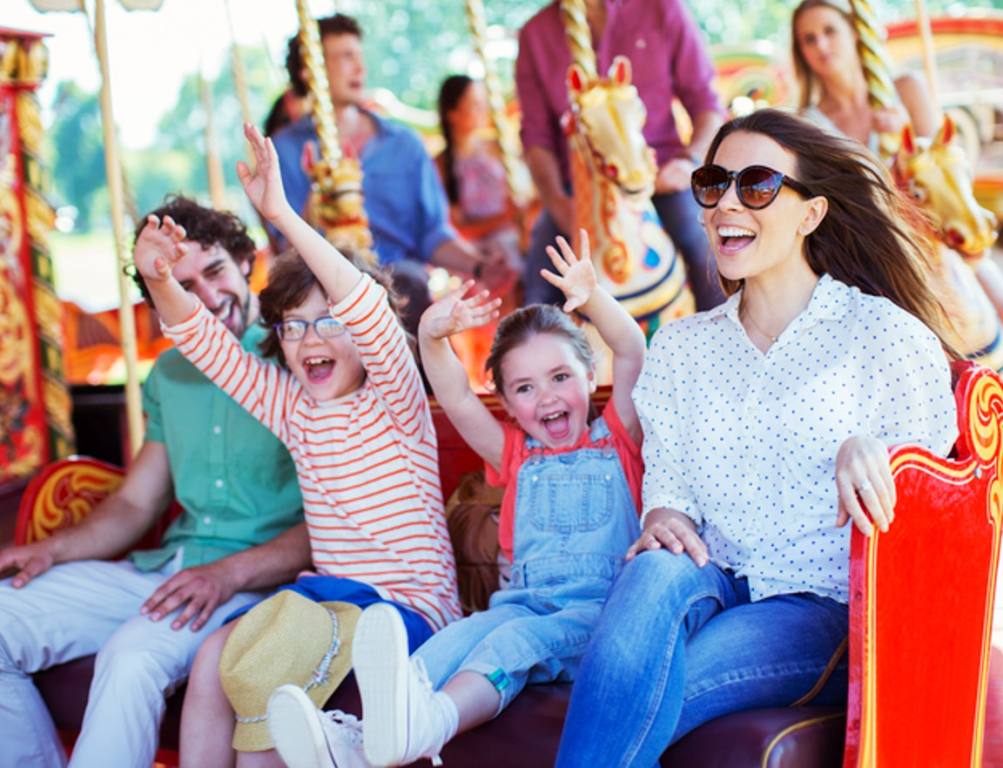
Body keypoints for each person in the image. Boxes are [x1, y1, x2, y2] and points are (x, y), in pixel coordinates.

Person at [553, 109, 959, 765]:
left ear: (810, 214)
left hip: (820, 604)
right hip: (711, 575)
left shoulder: (879, 333)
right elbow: (671, 487)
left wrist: (875, 452)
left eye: (758, 185)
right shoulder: (681, 347)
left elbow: (936, 491)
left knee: (651, 685)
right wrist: (662, 514)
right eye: (713, 185)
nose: (725, 205)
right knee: (651, 570)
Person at [132, 124, 460, 768]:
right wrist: (160, 277)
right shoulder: (293, 408)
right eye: (292, 327)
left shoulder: (395, 397)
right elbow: (206, 344)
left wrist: (280, 212)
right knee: (213, 659)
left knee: (270, 670)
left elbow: (364, 304)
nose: (310, 340)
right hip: (324, 601)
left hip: (404, 611)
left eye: (329, 322)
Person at [265, 230, 647, 768]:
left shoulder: (619, 436)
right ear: (509, 405)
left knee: (511, 646)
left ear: (590, 375)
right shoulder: (515, 455)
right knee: (455, 639)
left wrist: (596, 297)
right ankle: (360, 740)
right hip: (519, 603)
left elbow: (631, 348)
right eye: (525, 388)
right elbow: (457, 395)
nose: (548, 397)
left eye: (561, 377)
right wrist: (431, 334)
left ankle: (431, 725)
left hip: (598, 615)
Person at [0, 196, 306, 768]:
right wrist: (52, 548)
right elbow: (138, 501)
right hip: (168, 570)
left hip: (257, 583)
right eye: (183, 285)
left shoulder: (297, 357)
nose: (209, 299)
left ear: (246, 262)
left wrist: (228, 573)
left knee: (133, 656)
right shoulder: (168, 371)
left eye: (215, 271)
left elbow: (335, 518)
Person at [271, 14, 516, 320]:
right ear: (312, 71)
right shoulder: (284, 150)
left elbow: (432, 234)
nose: (360, 68)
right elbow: (285, 248)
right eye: (346, 57)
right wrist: (319, 190)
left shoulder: (404, 144)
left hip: (398, 280)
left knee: (408, 288)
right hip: (323, 289)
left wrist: (478, 264)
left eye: (359, 56)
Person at [515, 0, 726, 310]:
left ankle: (726, 341)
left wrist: (690, 162)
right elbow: (536, 138)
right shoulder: (536, 35)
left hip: (656, 175)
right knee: (538, 290)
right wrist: (556, 200)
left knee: (703, 250)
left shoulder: (661, 9)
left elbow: (707, 103)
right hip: (581, 187)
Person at [791, 0, 936, 150]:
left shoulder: (908, 89)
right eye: (809, 39)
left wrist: (908, 138)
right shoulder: (808, 126)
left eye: (829, 31)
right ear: (801, 52)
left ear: (853, 31)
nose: (821, 45)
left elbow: (944, 163)